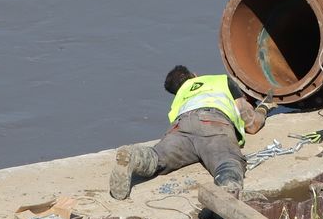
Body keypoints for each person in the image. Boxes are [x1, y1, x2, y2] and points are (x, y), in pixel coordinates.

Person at [110, 66, 270, 200]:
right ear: (194, 75)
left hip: (181, 125)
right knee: (227, 161)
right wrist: (264, 108)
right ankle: (229, 191)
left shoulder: (179, 99)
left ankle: (135, 156)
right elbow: (251, 125)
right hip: (213, 121)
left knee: (158, 157)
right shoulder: (221, 81)